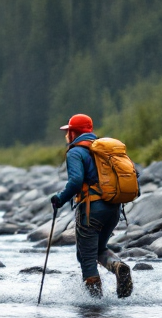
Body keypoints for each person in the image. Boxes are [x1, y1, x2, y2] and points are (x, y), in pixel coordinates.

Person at [49, 113, 134, 298]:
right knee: (99, 249)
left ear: (73, 132)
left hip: (91, 210)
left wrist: (59, 199)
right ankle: (118, 266)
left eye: (68, 131)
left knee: (86, 257)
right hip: (113, 209)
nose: (67, 135)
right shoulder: (105, 150)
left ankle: (94, 305)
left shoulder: (75, 152)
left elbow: (76, 181)